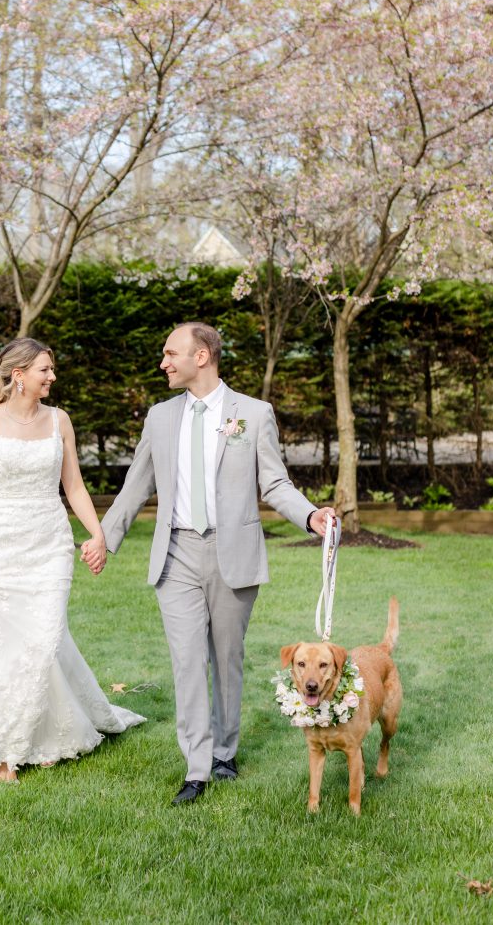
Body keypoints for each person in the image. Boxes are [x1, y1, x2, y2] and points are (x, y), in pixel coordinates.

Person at [89, 322, 334, 805]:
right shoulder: (159, 417)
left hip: (232, 553)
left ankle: (225, 751)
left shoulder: (253, 413)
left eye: (170, 353)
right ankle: (197, 768)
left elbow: (275, 483)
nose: (164, 362)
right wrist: (104, 537)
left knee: (226, 659)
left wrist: (311, 515)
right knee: (186, 662)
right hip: (176, 553)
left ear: (201, 356)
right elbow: (137, 483)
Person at [0, 338, 144, 783]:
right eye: (45, 370)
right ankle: (7, 752)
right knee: (5, 647)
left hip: (49, 543)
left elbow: (74, 486)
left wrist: (97, 533)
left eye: (51, 369)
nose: (52, 377)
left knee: (44, 640)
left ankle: (38, 737)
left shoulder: (59, 420)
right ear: (18, 375)